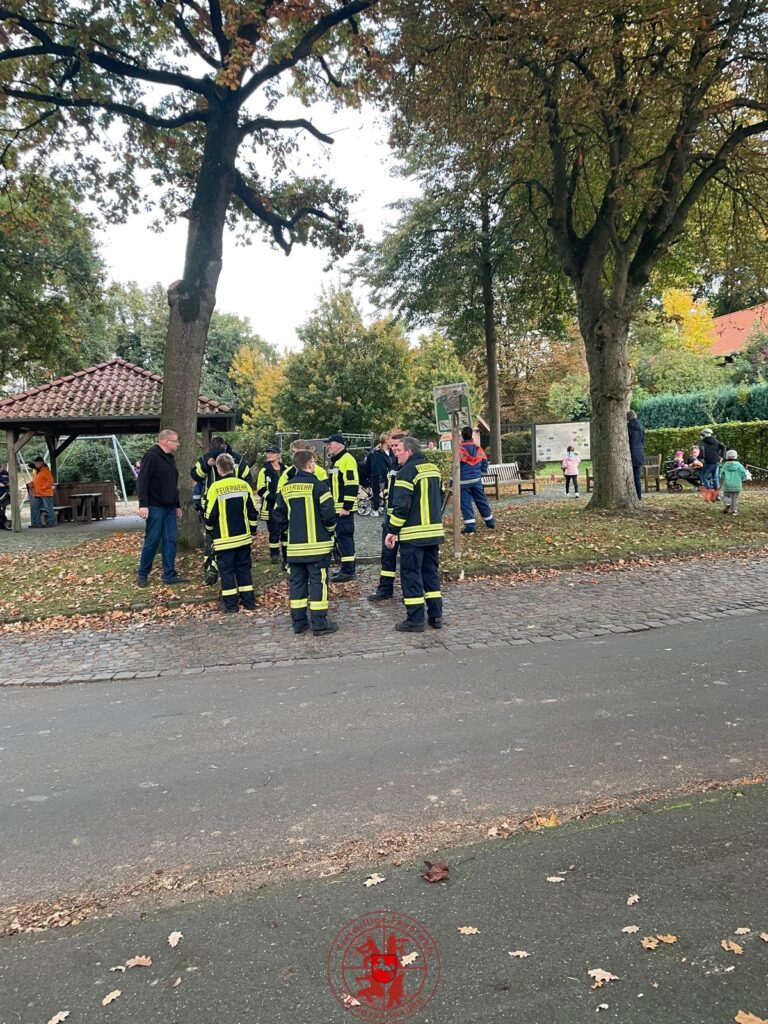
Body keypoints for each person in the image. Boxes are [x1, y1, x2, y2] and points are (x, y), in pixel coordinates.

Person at [273, 448, 338, 636]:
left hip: (294, 549)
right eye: (314, 463)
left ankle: (299, 623)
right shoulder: (319, 486)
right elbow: (329, 514)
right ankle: (319, 624)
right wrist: (331, 531)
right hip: (317, 548)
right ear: (310, 465)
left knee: (297, 584)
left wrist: (288, 530)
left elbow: (278, 514)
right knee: (318, 584)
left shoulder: (286, 488)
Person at [385, 436, 444, 633]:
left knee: (411, 576)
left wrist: (392, 530)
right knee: (430, 574)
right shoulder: (433, 469)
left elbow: (401, 506)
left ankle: (415, 619)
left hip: (412, 535)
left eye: (399, 450)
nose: (396, 453)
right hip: (433, 532)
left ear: (409, 451)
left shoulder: (406, 473)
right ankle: (436, 616)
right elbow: (441, 496)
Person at [204, 452, 259, 611]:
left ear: (219, 469)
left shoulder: (215, 487)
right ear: (233, 467)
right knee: (244, 569)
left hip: (223, 540)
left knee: (227, 572)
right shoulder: (244, 485)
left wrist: (209, 530)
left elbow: (210, 515)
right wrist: (253, 530)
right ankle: (249, 602)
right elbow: (252, 511)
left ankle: (231, 605)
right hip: (243, 538)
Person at [136, 428, 184, 587]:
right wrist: (143, 504)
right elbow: (142, 481)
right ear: (166, 441)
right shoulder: (151, 456)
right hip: (155, 507)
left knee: (170, 540)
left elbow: (173, 484)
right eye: (176, 441)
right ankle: (142, 573)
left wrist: (177, 505)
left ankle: (169, 574)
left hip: (170, 508)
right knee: (153, 540)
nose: (178, 444)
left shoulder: (171, 458)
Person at [368, 432, 407, 603]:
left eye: (396, 447)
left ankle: (411, 592)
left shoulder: (409, 466)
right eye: (391, 447)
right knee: (387, 555)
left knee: (407, 558)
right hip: (390, 517)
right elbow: (388, 486)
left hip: (405, 520)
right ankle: (385, 589)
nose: (393, 450)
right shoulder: (393, 463)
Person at [325, 432, 359, 582]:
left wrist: (347, 507)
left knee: (345, 538)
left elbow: (351, 484)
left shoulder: (347, 460)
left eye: (330, 444)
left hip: (343, 509)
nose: (328, 447)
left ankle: (348, 570)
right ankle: (346, 568)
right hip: (337, 508)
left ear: (339, 444)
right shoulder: (337, 460)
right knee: (342, 538)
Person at [457, 425, 495, 533]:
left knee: (465, 503)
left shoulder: (460, 450)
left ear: (462, 437)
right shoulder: (479, 449)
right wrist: (481, 474)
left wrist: (452, 481)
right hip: (476, 480)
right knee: (481, 500)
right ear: (471, 436)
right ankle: (490, 521)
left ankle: (470, 526)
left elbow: (455, 467)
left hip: (463, 481)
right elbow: (484, 463)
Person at [255, 445, 285, 563]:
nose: (269, 455)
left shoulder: (286, 469)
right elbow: (260, 488)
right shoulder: (264, 470)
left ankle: (286, 554)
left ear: (278, 455)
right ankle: (274, 555)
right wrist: (272, 497)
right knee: (274, 531)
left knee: (284, 530)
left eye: (272, 453)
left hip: (284, 505)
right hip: (270, 506)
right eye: (268, 453)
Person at [368, 433, 395, 515]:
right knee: (377, 493)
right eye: (390, 439)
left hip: (390, 476)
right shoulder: (377, 453)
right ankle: (375, 508)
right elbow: (377, 467)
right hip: (378, 478)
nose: (392, 441)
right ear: (385, 440)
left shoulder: (392, 452)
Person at [699, 427, 726, 500]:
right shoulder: (716, 441)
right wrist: (722, 456)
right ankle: (717, 495)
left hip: (708, 462)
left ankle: (710, 492)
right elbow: (723, 447)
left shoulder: (703, 442)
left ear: (704, 434)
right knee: (715, 478)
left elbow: (702, 451)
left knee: (703, 476)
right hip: (716, 461)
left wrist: (701, 459)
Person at [719, 449, 748, 516]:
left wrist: (722, 478)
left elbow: (722, 474)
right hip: (737, 484)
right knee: (735, 499)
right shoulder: (739, 465)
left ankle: (727, 504)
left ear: (727, 457)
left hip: (727, 484)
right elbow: (743, 473)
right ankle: (734, 511)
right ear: (736, 456)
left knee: (726, 496)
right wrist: (744, 478)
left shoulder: (725, 465)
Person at [29, 456, 55, 528]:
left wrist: (42, 488)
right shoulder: (37, 472)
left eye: (36, 462)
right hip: (37, 494)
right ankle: (36, 524)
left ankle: (51, 523)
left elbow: (50, 482)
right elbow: (35, 481)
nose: (35, 464)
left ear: (41, 463)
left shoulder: (46, 471)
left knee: (48, 508)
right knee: (35, 508)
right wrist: (31, 483)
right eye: (35, 463)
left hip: (45, 493)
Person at [627, 410, 645, 500]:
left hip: (631, 452)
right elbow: (643, 440)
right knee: (637, 476)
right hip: (639, 453)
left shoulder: (628, 427)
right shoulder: (641, 427)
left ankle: (633, 496)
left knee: (631, 475)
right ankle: (638, 496)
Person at [0, 462, 10, 530]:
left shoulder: (5, 473)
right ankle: (3, 523)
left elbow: (3, 484)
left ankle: (4, 522)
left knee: (1, 508)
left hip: (4, 494)